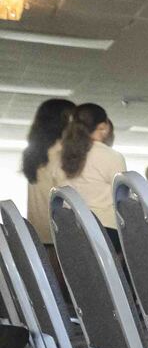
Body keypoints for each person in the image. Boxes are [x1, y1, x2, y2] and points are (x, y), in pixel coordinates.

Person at [58, 103, 128, 250]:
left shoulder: (64, 155)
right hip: (105, 230)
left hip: (71, 229)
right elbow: (123, 198)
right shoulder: (111, 156)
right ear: (104, 126)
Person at [21, 97, 75, 250]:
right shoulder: (60, 155)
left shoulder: (34, 154)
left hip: (39, 235)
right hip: (59, 238)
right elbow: (69, 200)